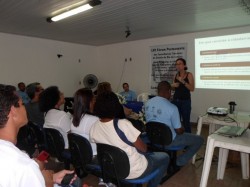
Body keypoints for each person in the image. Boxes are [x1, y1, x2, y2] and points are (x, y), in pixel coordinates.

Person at [0, 84, 77, 187]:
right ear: (13, 111)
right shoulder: (24, 166)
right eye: (22, 104)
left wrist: (46, 176)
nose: (25, 108)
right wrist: (47, 180)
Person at [90, 91, 169, 187]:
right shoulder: (123, 124)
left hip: (112, 168)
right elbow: (143, 149)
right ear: (115, 105)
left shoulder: (94, 126)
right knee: (165, 157)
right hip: (134, 171)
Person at [145, 81, 203, 167]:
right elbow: (179, 131)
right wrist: (182, 127)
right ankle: (179, 161)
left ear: (158, 91)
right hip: (168, 141)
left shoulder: (148, 103)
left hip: (152, 138)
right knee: (199, 139)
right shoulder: (172, 107)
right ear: (169, 91)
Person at [71, 88, 98, 155]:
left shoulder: (73, 119)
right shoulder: (94, 120)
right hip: (93, 154)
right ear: (90, 102)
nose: (95, 101)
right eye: (94, 99)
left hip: (78, 154)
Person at [171, 58, 194, 133]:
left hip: (185, 101)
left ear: (184, 65)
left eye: (180, 63)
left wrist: (183, 81)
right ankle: (177, 137)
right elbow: (174, 89)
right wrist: (173, 86)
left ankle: (189, 138)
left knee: (186, 121)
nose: (178, 65)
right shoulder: (175, 75)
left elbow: (192, 88)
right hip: (176, 100)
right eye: (177, 64)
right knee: (176, 120)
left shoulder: (189, 74)